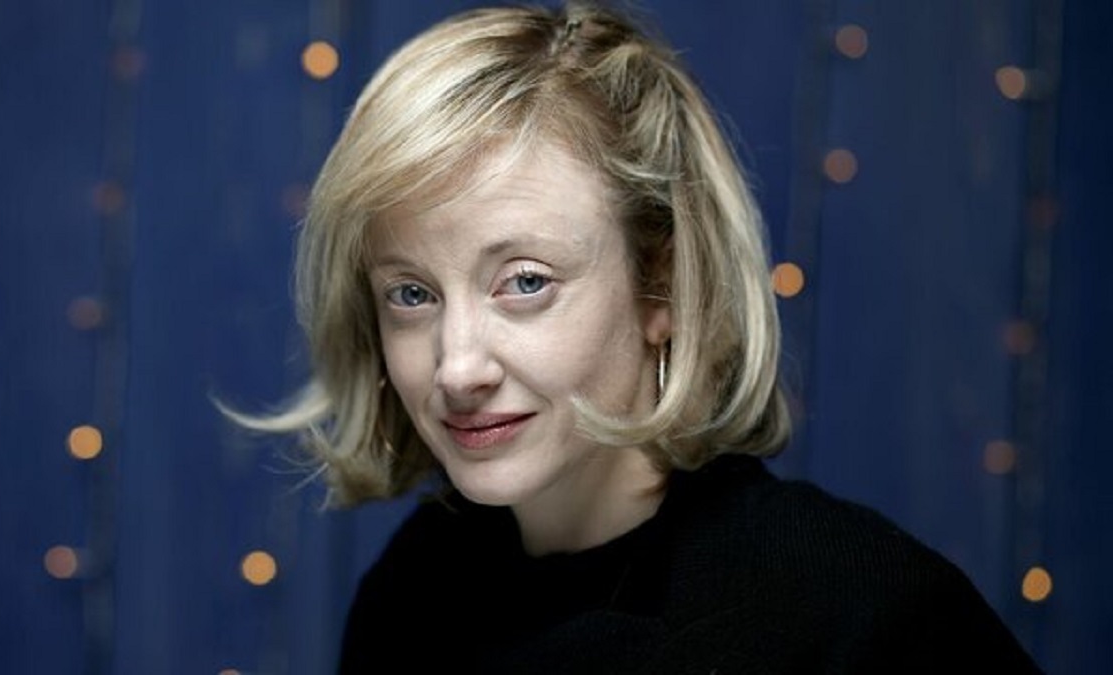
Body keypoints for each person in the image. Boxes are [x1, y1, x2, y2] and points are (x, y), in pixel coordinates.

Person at [235, 2, 1042, 672]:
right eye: (411, 294)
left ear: (663, 285)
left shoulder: (859, 612)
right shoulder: (411, 596)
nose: (458, 366)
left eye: (525, 281)